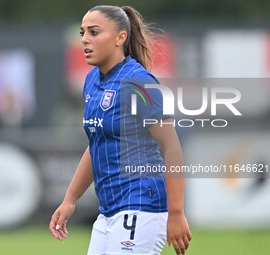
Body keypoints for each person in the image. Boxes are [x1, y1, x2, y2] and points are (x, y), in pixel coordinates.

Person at [49, 5, 191, 255]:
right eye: (83, 33)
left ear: (120, 37)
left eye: (94, 32)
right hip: (109, 211)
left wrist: (176, 212)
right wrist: (70, 200)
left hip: (142, 206)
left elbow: (171, 147)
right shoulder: (92, 81)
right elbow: (96, 145)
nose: (84, 40)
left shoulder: (140, 83)